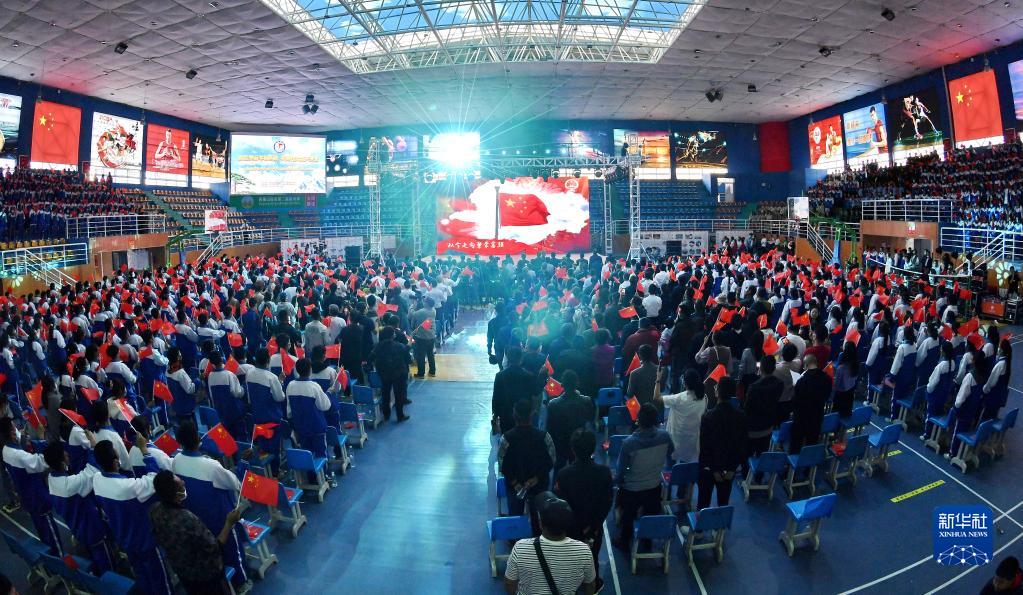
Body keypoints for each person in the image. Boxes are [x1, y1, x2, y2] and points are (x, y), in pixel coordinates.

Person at [170, 421, 249, 591]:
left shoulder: (176, 461)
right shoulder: (211, 466)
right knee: (232, 549)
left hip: (196, 517)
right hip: (219, 517)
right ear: (197, 438)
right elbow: (235, 483)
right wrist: (242, 463)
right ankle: (241, 582)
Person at [92, 438, 173, 595]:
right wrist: (145, 451)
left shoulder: (97, 480)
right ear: (116, 462)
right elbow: (155, 479)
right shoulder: (128, 487)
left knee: (142, 576)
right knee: (160, 580)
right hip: (145, 541)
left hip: (125, 539)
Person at [149, 470, 242, 595]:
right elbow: (215, 547)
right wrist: (229, 523)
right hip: (206, 575)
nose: (184, 482)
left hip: (183, 572)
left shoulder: (154, 510)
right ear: (177, 495)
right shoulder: (186, 519)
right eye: (181, 485)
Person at [44, 437, 117, 574]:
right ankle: (110, 580)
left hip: (77, 526)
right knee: (105, 561)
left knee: (93, 554)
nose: (68, 455)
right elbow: (91, 471)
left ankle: (98, 574)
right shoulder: (70, 485)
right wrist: (93, 447)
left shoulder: (52, 479)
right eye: (65, 454)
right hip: (91, 527)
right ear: (62, 462)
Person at [504, 492, 597, 595]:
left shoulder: (520, 547)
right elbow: (590, 585)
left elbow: (509, 582)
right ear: (568, 524)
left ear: (540, 524)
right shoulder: (584, 551)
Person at [555, 430, 612, 593]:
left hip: (572, 528)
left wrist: (576, 527)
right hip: (594, 528)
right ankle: (593, 585)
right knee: (592, 557)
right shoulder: (604, 472)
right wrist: (593, 526)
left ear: (573, 449)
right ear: (593, 448)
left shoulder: (563, 474)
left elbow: (562, 505)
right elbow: (607, 502)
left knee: (570, 557)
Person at [613, 403, 673, 550]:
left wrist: (618, 481)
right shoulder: (665, 436)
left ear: (638, 420)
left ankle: (624, 540)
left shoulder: (629, 443)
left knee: (628, 515)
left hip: (632, 489)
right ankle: (647, 541)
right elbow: (670, 454)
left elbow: (621, 471)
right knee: (650, 514)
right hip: (654, 486)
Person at [1, 417, 64, 555]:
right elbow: (42, 462)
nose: (16, 429)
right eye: (14, 427)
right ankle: (60, 560)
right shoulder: (19, 455)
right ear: (11, 432)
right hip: (38, 497)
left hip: (27, 498)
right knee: (51, 533)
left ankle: (51, 559)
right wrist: (41, 438)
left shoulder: (5, 450)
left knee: (42, 531)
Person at [498, 399, 555, 535]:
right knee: (539, 517)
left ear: (514, 415)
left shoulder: (506, 438)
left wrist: (515, 483)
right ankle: (537, 538)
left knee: (515, 518)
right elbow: (551, 460)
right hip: (539, 486)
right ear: (532, 415)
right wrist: (536, 478)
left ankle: (515, 541)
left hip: (515, 487)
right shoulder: (544, 437)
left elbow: (502, 464)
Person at [697, 377, 747, 510]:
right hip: (728, 468)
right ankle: (720, 524)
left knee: (703, 502)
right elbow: (741, 446)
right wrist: (732, 468)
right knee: (723, 502)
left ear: (717, 392)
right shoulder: (741, 416)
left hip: (709, 469)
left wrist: (714, 470)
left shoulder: (708, 417)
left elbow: (705, 448)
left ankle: (701, 524)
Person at [545, 370, 595, 470]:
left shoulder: (553, 404)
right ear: (577, 384)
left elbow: (549, 429)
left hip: (560, 443)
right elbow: (591, 420)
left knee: (558, 470)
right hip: (580, 442)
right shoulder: (586, 401)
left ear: (562, 385)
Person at [655, 368, 707, 463]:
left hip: (675, 442)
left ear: (685, 383)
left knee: (671, 464)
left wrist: (658, 379)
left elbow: (657, 398)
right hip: (692, 441)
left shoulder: (679, 398)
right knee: (685, 466)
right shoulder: (704, 398)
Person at [742, 356, 783, 469]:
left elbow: (747, 409)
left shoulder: (753, 388)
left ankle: (747, 474)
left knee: (747, 455)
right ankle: (758, 476)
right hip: (768, 426)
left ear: (761, 368)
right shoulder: (779, 383)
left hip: (752, 429)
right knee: (762, 454)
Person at [368, 326, 412, 422]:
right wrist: (410, 343)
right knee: (399, 395)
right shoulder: (398, 345)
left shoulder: (378, 346)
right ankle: (400, 415)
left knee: (385, 394)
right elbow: (406, 351)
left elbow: (370, 358)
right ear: (392, 335)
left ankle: (386, 414)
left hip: (384, 374)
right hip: (398, 373)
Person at [789, 354, 831, 454]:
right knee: (811, 444)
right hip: (817, 416)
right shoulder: (827, 379)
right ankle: (809, 462)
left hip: (801, 418)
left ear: (805, 365)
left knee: (796, 445)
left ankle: (793, 461)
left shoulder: (802, 381)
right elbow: (827, 397)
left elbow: (795, 402)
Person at [492, 347, 538, 434]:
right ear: (521, 359)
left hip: (505, 414)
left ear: (508, 358)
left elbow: (496, 397)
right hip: (524, 413)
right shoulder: (529, 376)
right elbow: (534, 394)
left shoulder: (500, 376)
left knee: (507, 437)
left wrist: (495, 416)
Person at [411, 297, 438, 378]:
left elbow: (412, 315)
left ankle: (421, 373)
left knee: (421, 355)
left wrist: (412, 306)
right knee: (430, 354)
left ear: (427, 303)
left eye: (424, 301)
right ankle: (432, 372)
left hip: (422, 336)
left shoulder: (421, 312)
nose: (423, 302)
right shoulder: (433, 310)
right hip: (431, 335)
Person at [625, 344, 658, 408]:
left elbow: (630, 394)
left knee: (629, 402)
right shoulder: (662, 370)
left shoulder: (634, 373)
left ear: (640, 355)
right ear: (652, 355)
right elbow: (661, 389)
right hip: (657, 406)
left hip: (640, 407)